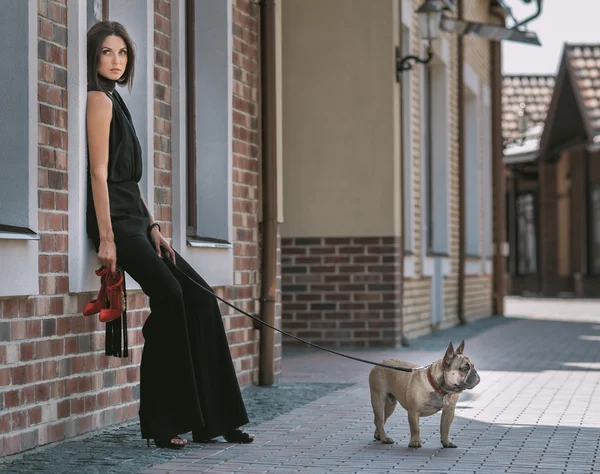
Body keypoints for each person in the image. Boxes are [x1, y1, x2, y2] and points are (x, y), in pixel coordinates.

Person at [86, 21, 254, 449]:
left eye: (122, 53)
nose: (116, 60)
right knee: (170, 298)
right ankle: (163, 421)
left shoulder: (117, 100)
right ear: (94, 56)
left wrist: (154, 225)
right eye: (107, 52)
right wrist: (107, 238)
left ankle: (214, 418)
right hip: (117, 225)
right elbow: (100, 174)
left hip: (136, 222)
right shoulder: (98, 101)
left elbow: (131, 180)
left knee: (198, 295)